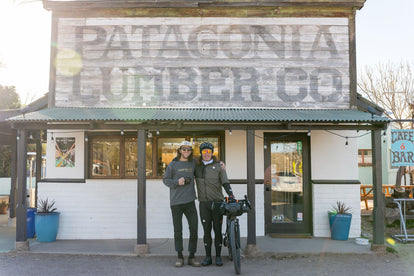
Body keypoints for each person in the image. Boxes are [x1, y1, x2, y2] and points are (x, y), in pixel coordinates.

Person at [194, 142, 235, 267]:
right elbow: (182, 161)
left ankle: (218, 256)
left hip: (217, 203)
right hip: (204, 204)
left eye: (209, 151)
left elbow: (225, 182)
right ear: (201, 153)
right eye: (204, 151)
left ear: (212, 153)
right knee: (207, 231)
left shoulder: (218, 166)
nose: (206, 154)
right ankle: (207, 257)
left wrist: (231, 195)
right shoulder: (196, 167)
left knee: (217, 230)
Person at [163, 141, 201, 268]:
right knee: (178, 230)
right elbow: (165, 180)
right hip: (176, 202)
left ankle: (192, 256)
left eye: (188, 149)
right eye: (184, 149)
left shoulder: (194, 163)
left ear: (191, 151)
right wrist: (176, 182)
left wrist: (220, 163)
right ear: (180, 150)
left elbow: (207, 162)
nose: (186, 151)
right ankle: (179, 256)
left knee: (194, 229)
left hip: (190, 201)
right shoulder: (172, 164)